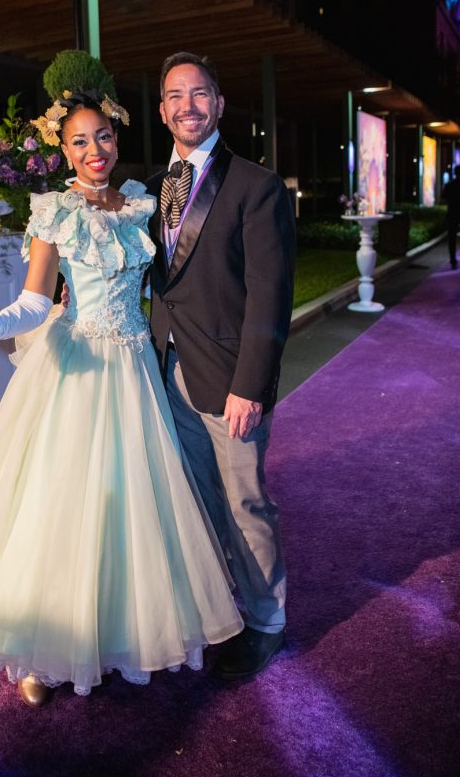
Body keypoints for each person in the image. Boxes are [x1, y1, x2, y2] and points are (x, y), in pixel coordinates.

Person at [0, 90, 243, 707]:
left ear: (118, 139)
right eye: (79, 140)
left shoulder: (145, 204)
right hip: (75, 369)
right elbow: (35, 303)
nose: (94, 150)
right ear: (62, 149)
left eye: (103, 137)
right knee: (60, 502)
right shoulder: (53, 212)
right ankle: (43, 648)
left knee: (132, 507)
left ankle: (119, 632)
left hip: (134, 369)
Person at [146, 52, 296, 680]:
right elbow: (157, 275)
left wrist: (251, 387)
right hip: (167, 370)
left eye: (200, 93)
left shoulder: (256, 186)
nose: (188, 106)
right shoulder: (151, 187)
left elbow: (271, 296)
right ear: (161, 110)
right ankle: (222, 612)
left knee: (246, 503)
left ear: (220, 104)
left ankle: (266, 621)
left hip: (230, 381)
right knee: (199, 502)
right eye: (176, 96)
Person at [442, 164, 460, 269]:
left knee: (452, 238)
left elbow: (444, 199)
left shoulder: (449, 185)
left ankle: (453, 260)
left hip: (452, 213)